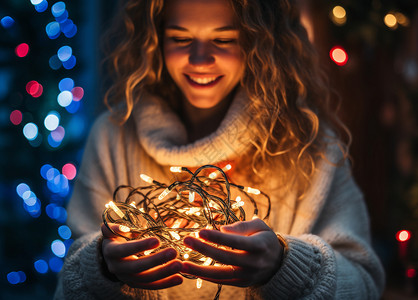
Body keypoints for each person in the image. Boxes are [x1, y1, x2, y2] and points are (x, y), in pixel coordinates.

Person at [54, 0, 385, 299]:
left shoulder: (310, 147)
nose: (200, 59)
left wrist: (284, 264)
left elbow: (365, 284)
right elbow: (69, 285)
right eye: (181, 39)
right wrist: (101, 268)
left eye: (224, 39)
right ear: (156, 40)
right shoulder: (113, 139)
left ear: (258, 43)